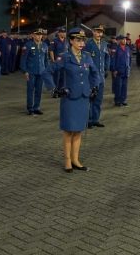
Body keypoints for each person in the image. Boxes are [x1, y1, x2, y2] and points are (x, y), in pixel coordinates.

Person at [42, 27, 99, 172]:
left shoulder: (87, 56)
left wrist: (94, 87)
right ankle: (67, 161)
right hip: (70, 97)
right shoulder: (65, 57)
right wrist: (54, 89)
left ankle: (76, 160)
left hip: (83, 97)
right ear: (71, 41)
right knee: (68, 130)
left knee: (79, 130)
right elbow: (47, 72)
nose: (81, 43)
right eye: (78, 40)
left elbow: (95, 73)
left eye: (83, 40)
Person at [83, 24, 109, 128]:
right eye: (97, 31)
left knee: (98, 99)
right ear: (93, 32)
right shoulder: (88, 44)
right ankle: (88, 120)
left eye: (101, 32)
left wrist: (106, 68)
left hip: (101, 76)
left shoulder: (104, 44)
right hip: (91, 76)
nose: (99, 34)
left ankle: (95, 119)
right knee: (90, 99)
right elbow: (84, 59)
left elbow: (107, 57)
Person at [20, 28, 50, 115]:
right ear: (33, 35)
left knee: (39, 90)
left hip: (41, 72)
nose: (39, 36)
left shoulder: (45, 45)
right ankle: (30, 108)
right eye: (37, 34)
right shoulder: (28, 45)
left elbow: (46, 60)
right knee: (30, 90)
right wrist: (25, 71)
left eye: (40, 35)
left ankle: (37, 107)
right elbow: (23, 59)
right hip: (31, 72)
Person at [111, 34, 131, 107]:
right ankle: (117, 101)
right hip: (118, 71)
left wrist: (129, 69)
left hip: (125, 71)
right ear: (119, 40)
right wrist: (114, 70)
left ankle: (123, 100)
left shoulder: (127, 48)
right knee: (118, 86)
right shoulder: (116, 49)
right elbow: (113, 60)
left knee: (124, 87)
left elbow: (129, 59)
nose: (125, 40)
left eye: (125, 39)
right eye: (123, 39)